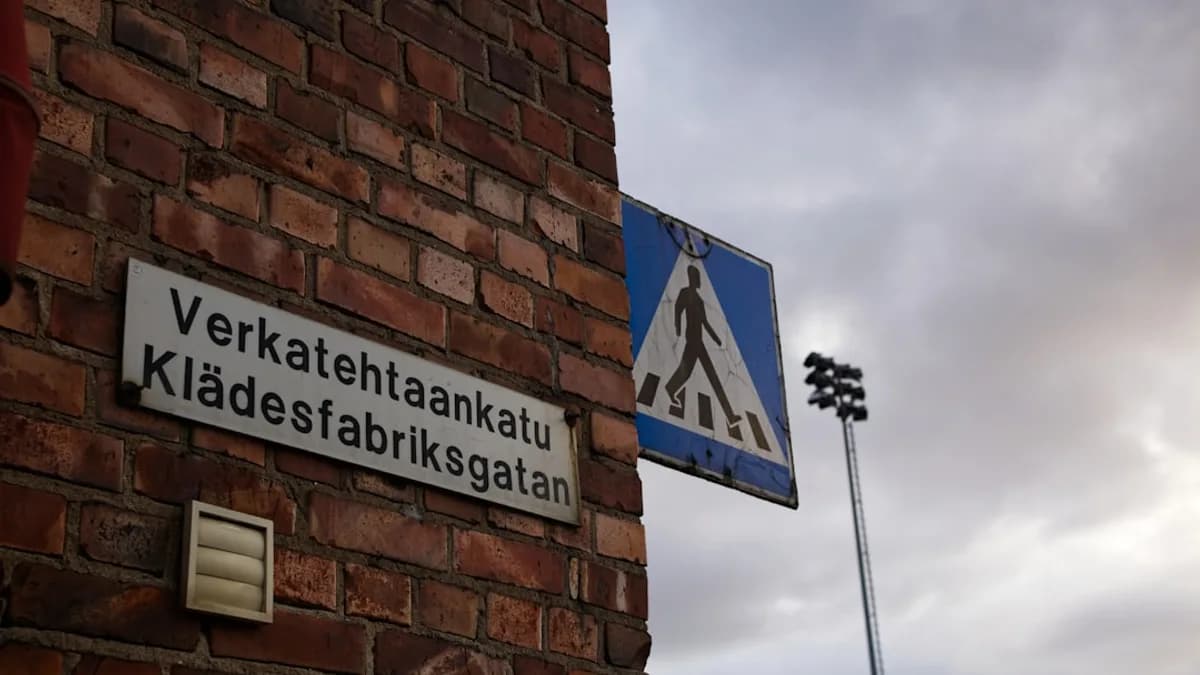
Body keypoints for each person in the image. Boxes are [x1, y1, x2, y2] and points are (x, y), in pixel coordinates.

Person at [663, 265, 741, 426]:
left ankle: (730, 416)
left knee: (695, 374)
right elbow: (677, 309)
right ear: (692, 278)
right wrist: (677, 329)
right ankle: (730, 416)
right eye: (697, 277)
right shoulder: (685, 293)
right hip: (692, 341)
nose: (699, 281)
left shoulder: (698, 299)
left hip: (699, 342)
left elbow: (705, 321)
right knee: (698, 375)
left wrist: (716, 338)